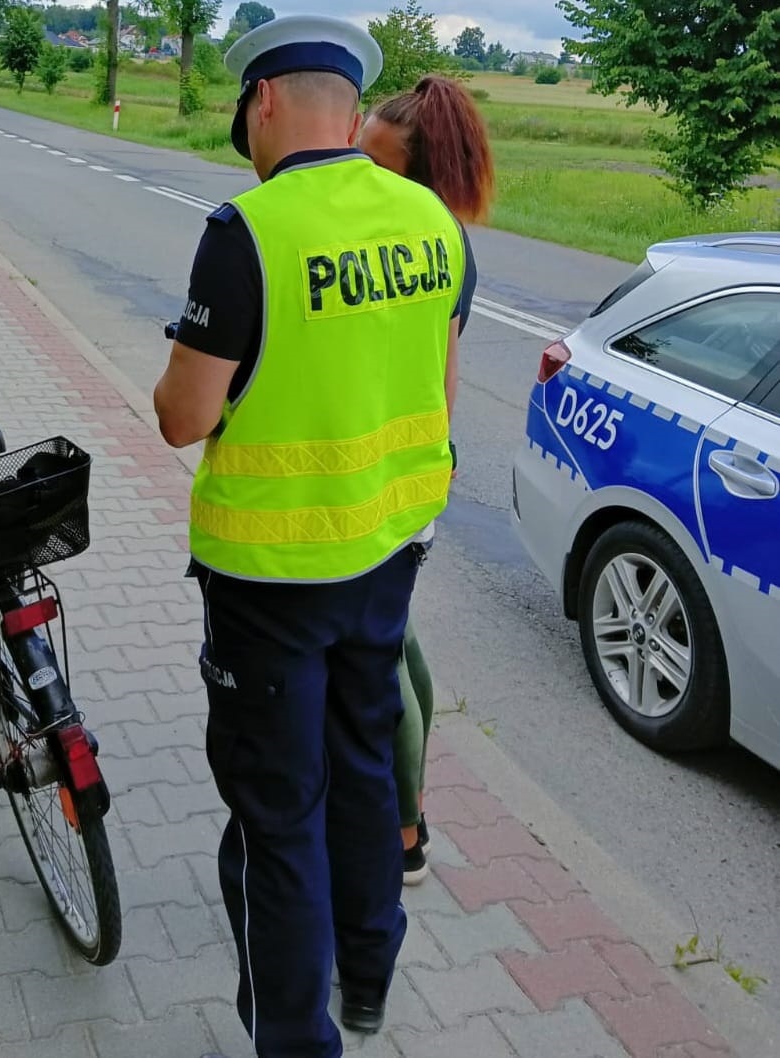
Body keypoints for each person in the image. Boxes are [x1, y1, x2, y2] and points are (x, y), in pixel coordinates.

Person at [152, 17, 466, 1058]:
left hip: (270, 576)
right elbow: (438, 388)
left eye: (244, 109)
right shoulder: (432, 222)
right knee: (367, 767)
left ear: (269, 99)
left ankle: (295, 1040)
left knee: (277, 820)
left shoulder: (250, 228)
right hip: (387, 553)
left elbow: (184, 414)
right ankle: (369, 976)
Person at [356, 75, 494, 885]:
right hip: (416, 465)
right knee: (399, 642)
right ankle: (410, 820)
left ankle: (403, 835)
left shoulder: (421, 239)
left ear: (422, 175)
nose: (357, 171)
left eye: (375, 162)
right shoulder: (439, 235)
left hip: (392, 473)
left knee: (380, 657)